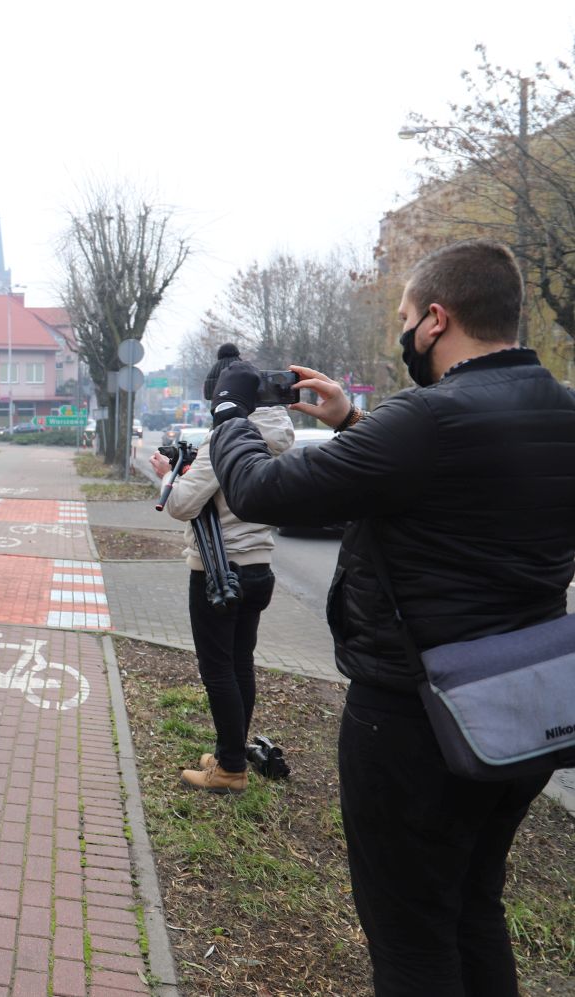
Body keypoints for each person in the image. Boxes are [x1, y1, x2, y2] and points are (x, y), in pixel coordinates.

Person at [205, 239, 575, 995]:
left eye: (406, 318)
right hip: (523, 709)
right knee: (475, 906)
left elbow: (260, 489)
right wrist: (354, 421)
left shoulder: (428, 420)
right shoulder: (560, 410)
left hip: (413, 719)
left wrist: (227, 410)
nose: (402, 333)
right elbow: (456, 487)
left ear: (437, 320)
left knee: (411, 938)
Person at [150, 343, 294, 794]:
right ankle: (229, 754)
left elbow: (179, 505)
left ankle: (230, 769)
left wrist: (166, 473)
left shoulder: (227, 437)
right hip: (259, 568)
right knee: (240, 665)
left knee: (218, 671)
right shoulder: (280, 436)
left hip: (217, 570)